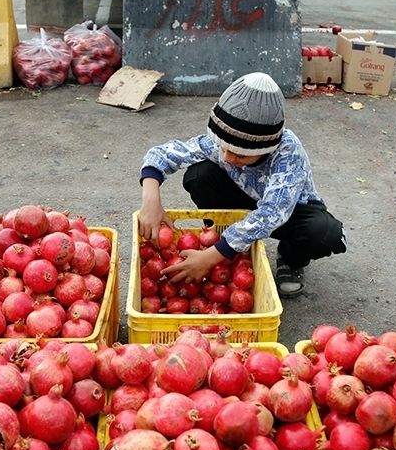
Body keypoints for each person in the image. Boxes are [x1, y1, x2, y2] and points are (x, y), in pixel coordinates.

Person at [138, 72, 347, 298]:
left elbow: (272, 214)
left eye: (240, 155)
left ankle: (290, 257)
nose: (227, 157)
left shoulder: (288, 153)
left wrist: (209, 258)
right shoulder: (226, 143)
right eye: (223, 148)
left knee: (326, 234)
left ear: (264, 149)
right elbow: (162, 154)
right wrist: (151, 201)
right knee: (200, 174)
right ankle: (224, 237)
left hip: (291, 212)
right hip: (243, 200)